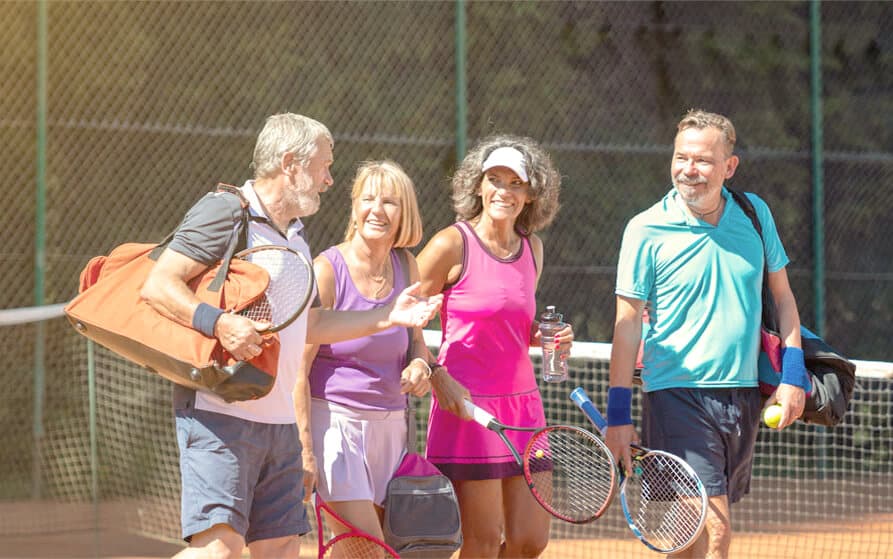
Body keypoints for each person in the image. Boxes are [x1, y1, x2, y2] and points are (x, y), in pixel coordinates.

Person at [139, 114, 443, 559]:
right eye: (324, 165)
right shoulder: (226, 211)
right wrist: (220, 323)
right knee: (219, 551)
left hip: (279, 422)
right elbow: (158, 285)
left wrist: (387, 315)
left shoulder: (295, 238)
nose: (328, 179)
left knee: (281, 549)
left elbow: (312, 327)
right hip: (220, 412)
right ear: (290, 164)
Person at [606, 109, 810, 559]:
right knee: (716, 532)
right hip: (677, 394)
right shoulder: (644, 229)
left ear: (729, 166)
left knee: (690, 537)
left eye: (701, 160)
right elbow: (625, 326)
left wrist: (793, 376)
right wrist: (617, 415)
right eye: (681, 158)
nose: (688, 170)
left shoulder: (755, 214)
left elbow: (784, 298)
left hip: (743, 398)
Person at [293, 160, 470, 552]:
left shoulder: (406, 265)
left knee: (355, 551)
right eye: (368, 199)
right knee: (371, 549)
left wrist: (420, 366)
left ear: (404, 213)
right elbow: (296, 371)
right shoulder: (327, 270)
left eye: (389, 201)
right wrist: (304, 448)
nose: (377, 209)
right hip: (336, 429)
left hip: (392, 431)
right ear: (354, 207)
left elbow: (416, 343)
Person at [416, 135, 574, 558]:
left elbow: (512, 328)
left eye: (515, 184)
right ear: (478, 186)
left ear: (530, 195)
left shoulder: (533, 249)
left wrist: (544, 337)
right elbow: (404, 320)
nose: (503, 191)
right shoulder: (451, 243)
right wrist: (435, 375)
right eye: (494, 180)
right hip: (469, 411)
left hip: (525, 410)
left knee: (529, 541)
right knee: (482, 544)